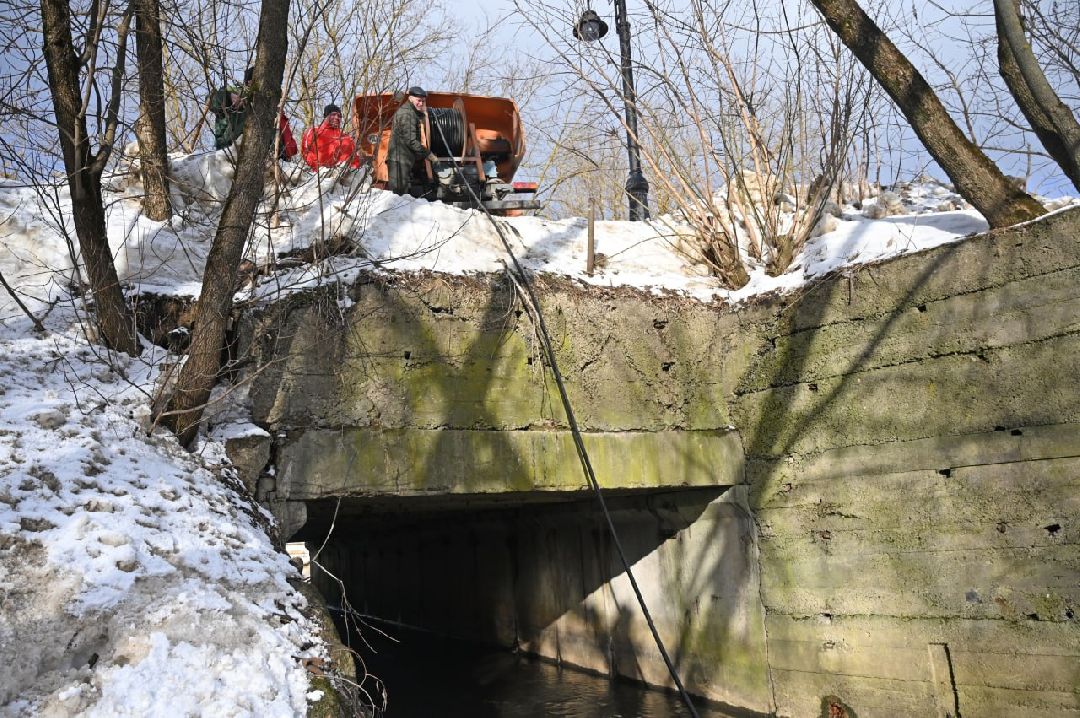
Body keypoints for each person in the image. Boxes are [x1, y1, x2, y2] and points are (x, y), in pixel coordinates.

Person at [209, 66, 298, 160]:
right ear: (248, 82)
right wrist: (228, 97)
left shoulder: (272, 110)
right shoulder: (234, 92)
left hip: (260, 159)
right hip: (229, 151)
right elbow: (211, 101)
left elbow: (285, 148)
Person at [387, 86, 438, 195]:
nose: (421, 103)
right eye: (418, 100)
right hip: (399, 160)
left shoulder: (410, 112)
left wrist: (423, 113)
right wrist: (428, 154)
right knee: (399, 195)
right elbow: (411, 140)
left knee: (401, 195)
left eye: (423, 101)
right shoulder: (407, 114)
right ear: (410, 98)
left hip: (401, 159)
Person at [301, 104, 361, 171]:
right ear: (326, 116)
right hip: (320, 174)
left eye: (339, 116)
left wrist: (354, 170)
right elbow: (306, 152)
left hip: (346, 174)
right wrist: (319, 169)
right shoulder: (314, 131)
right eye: (333, 114)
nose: (337, 117)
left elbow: (354, 158)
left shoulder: (346, 137)